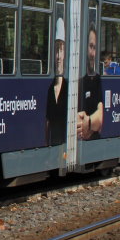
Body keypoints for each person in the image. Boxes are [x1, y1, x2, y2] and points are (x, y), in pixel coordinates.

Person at [77, 25, 104, 140]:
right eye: (91, 47)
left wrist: (88, 122)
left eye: (95, 48)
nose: (93, 54)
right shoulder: (79, 81)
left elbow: (101, 115)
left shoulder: (100, 80)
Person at [46, 18, 68, 146]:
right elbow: (47, 121)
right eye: (56, 50)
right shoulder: (50, 88)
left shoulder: (70, 86)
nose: (58, 56)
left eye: (61, 50)